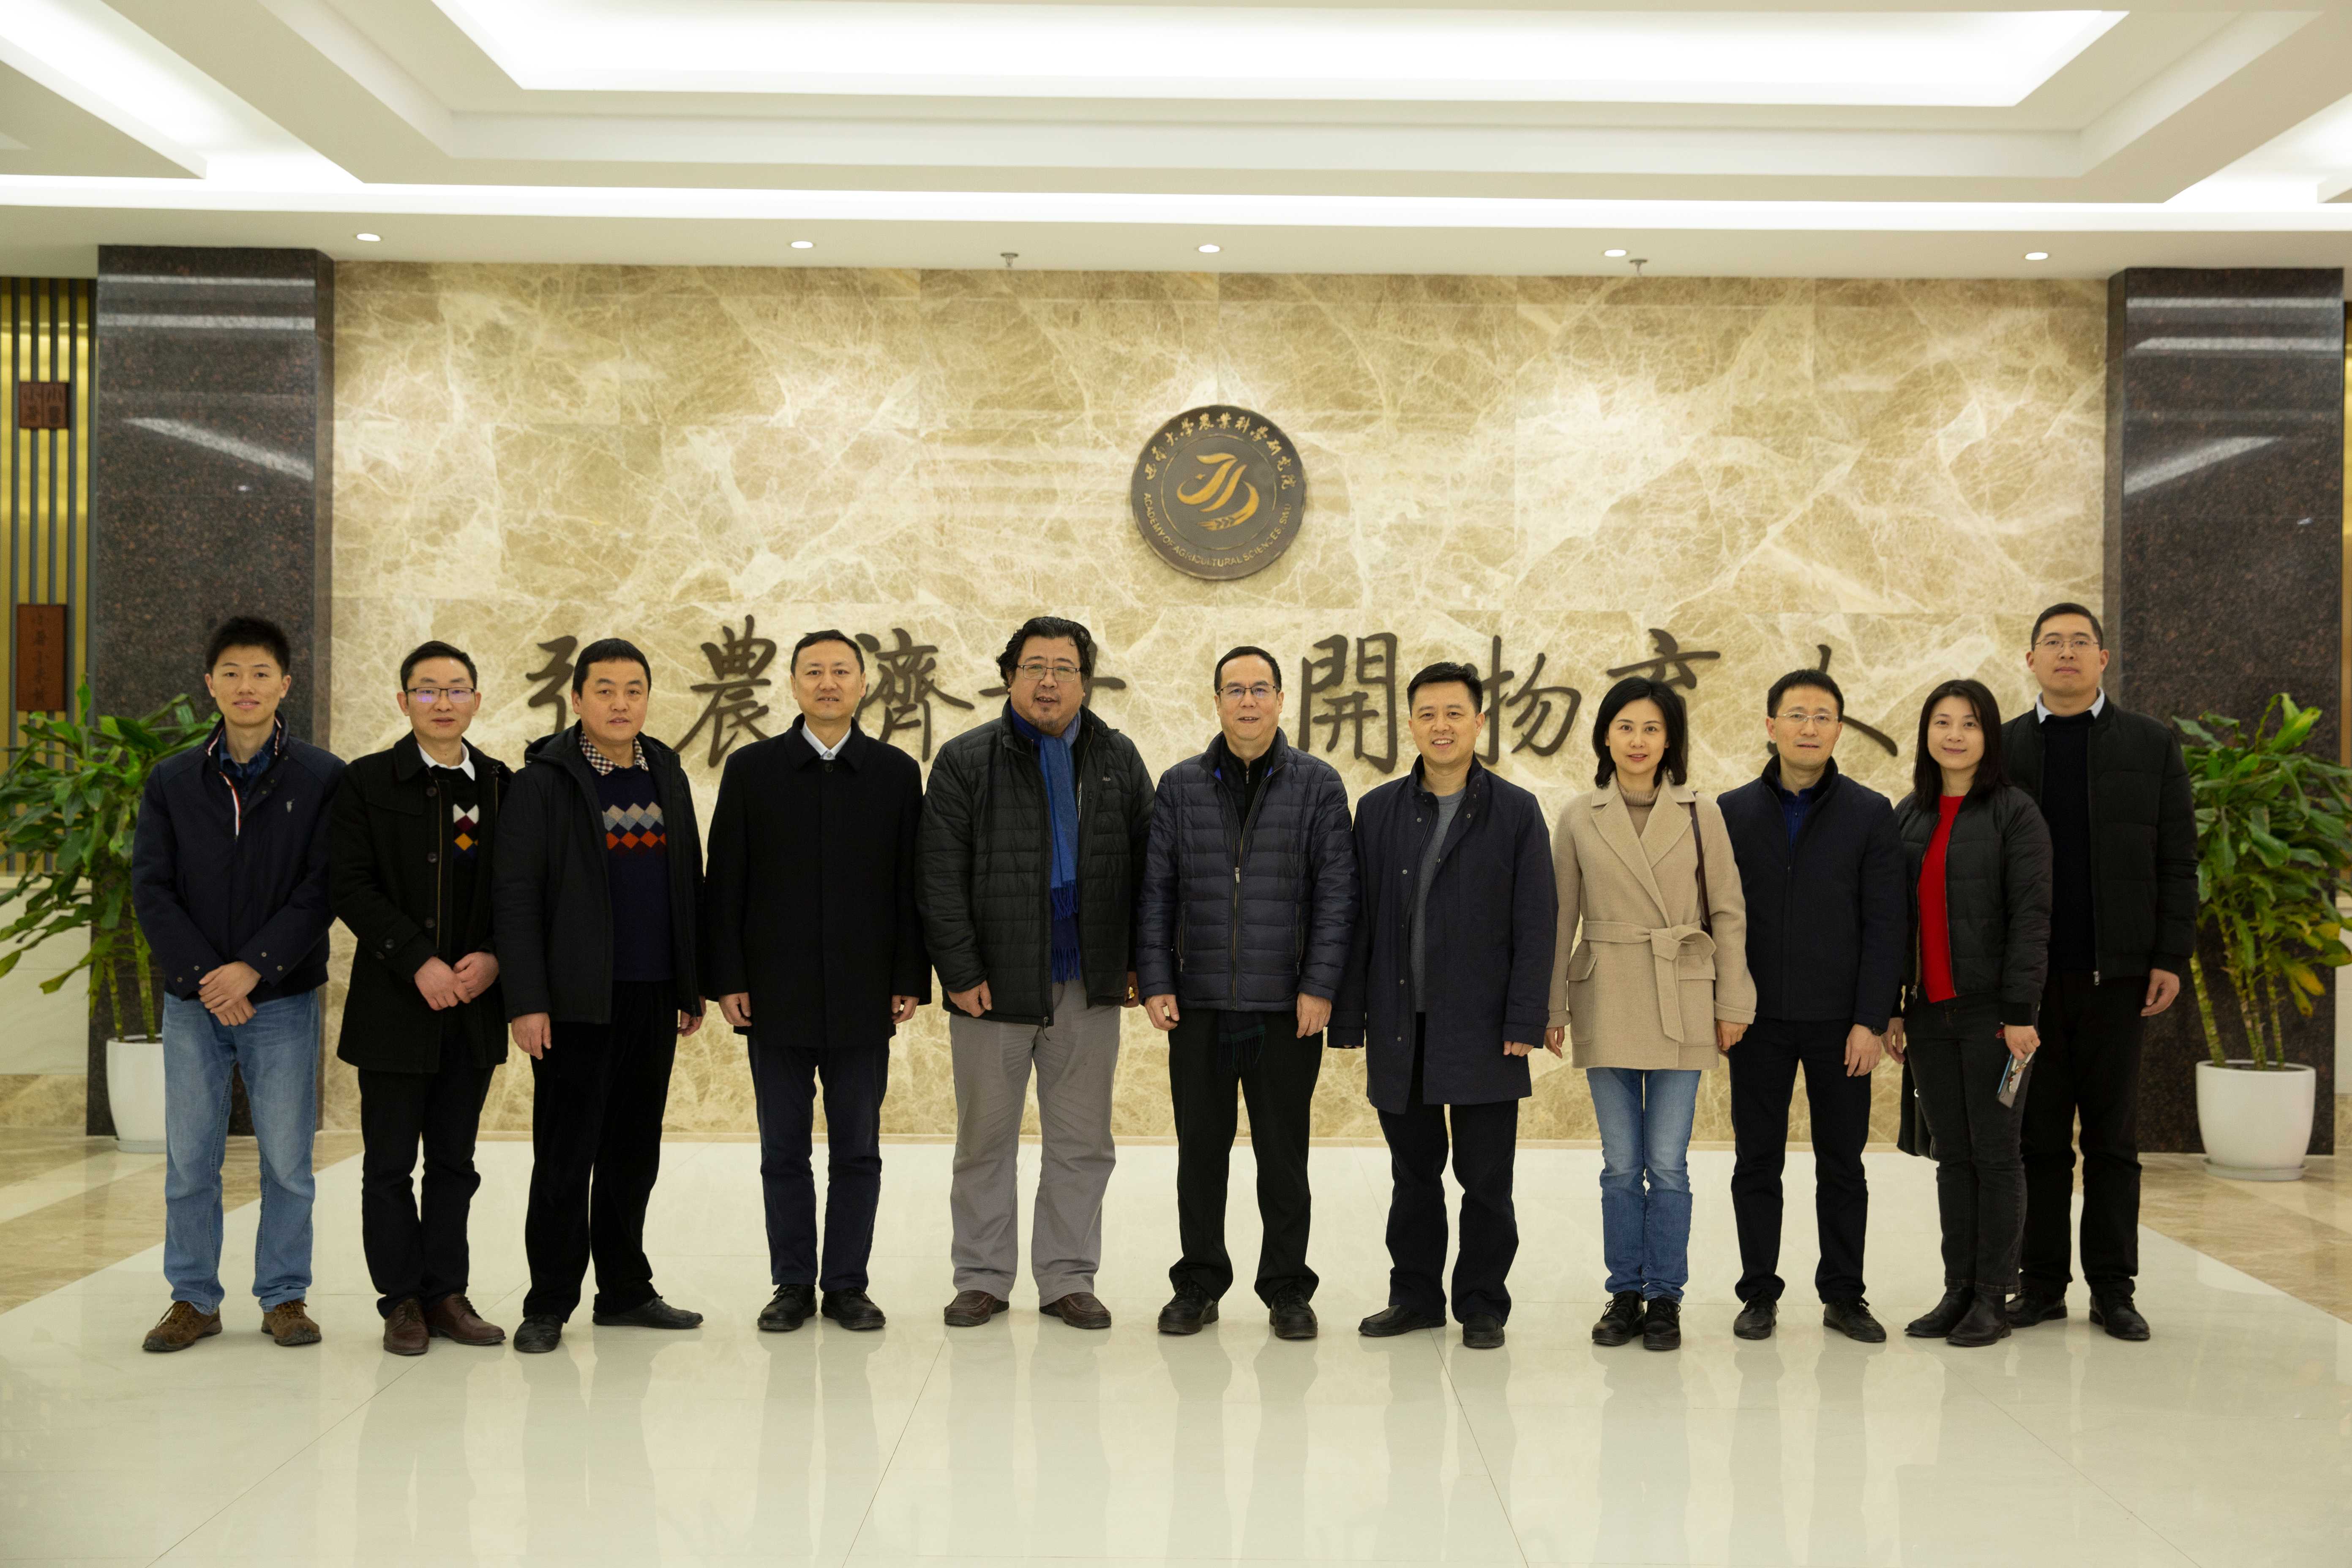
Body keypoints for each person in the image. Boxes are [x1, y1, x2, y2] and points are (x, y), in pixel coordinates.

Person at [919, 616, 1154, 1331]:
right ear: (1009, 676)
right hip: (992, 987)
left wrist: (1138, 963)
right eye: (1034, 667)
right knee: (983, 1143)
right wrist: (960, 970)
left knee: (1082, 1143)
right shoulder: (965, 760)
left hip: (1087, 984)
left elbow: (1149, 867)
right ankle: (981, 1278)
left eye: (1063, 669)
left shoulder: (1117, 757)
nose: (1048, 682)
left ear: (1085, 681)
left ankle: (1067, 1278)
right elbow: (938, 876)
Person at [704, 630, 928, 1335]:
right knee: (783, 1150)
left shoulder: (894, 772)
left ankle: (848, 1285)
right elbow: (726, 882)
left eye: (841, 671)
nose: (827, 683)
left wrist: (908, 975)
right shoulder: (753, 770)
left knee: (858, 1150)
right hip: (774, 995)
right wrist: (728, 978)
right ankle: (793, 1283)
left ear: (863, 683)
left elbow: (911, 883)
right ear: (794, 684)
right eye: (813, 672)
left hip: (865, 993)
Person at [131, 616, 345, 1353]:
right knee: (191, 1158)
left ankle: (284, 1297)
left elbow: (324, 886)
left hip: (281, 996)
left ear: (284, 685)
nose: (245, 686)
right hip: (194, 1002)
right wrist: (206, 978)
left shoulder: (321, 777)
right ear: (210, 684)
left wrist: (254, 967)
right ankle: (192, 1299)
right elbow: (152, 887)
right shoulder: (172, 780)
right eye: (231, 673)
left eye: (260, 674)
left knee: (287, 1159)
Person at [494, 637, 708, 1355]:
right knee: (565, 1157)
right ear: (578, 698)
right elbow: (515, 897)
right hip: (574, 1002)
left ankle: (625, 1291)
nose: (621, 703)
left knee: (632, 1153)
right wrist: (527, 1000)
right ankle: (548, 1302)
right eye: (606, 690)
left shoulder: (666, 771)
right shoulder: (543, 782)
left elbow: (687, 881)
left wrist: (689, 983)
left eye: (634, 690)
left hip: (653, 994)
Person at [1137, 646, 1357, 1341]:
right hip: (1199, 1002)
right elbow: (1156, 892)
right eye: (1234, 690)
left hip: (1284, 1008)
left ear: (1281, 700)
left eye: (1260, 689)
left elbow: (1337, 895)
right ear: (1216, 702)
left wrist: (1319, 985)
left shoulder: (1317, 785)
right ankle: (1197, 1283)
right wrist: (1157, 979)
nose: (1248, 701)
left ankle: (1287, 1288)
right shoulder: (1179, 785)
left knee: (1282, 1158)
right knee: (1199, 1154)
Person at [1332, 661, 1555, 1350]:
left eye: (1454, 713)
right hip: (1402, 1024)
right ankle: (1415, 1298)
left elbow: (1537, 922)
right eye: (1427, 713)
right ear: (1409, 724)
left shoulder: (1515, 812)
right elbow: (1357, 919)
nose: (1440, 726)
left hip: (1485, 1027)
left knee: (1485, 1179)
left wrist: (1524, 1018)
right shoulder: (1378, 811)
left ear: (1479, 722)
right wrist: (1350, 1015)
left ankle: (1482, 1303)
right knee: (1413, 1176)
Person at [2001, 603, 2194, 1342]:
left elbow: (2176, 859)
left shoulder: (2149, 743)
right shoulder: (2004, 748)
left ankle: (2113, 1289)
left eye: (2080, 642)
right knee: (2038, 1141)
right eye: (2051, 643)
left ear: (2103, 659)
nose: (2066, 653)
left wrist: (2168, 956)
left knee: (2112, 1143)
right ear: (2030, 660)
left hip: (2117, 981)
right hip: (2031, 985)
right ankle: (2041, 1285)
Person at [1547, 675, 1753, 1353]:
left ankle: (1664, 1296)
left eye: (1652, 729)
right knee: (1618, 1163)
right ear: (1605, 737)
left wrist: (1732, 1000)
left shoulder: (1701, 813)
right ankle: (1623, 1293)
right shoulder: (1579, 815)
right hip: (1605, 992)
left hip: (1681, 995)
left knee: (1667, 1164)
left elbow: (1727, 911)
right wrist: (1550, 1004)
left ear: (1670, 742)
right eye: (1625, 727)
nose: (1637, 741)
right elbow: (1559, 917)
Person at [328, 640, 512, 1355]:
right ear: (403, 701)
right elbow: (349, 883)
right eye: (427, 690)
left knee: (455, 1164)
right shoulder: (367, 781)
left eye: (456, 688)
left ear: (476, 700)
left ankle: (446, 1295)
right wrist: (416, 961)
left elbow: (521, 886)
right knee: (388, 1166)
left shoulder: (500, 785)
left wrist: (493, 956)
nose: (442, 702)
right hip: (395, 1007)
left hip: (473, 1006)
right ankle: (400, 1300)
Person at [1716, 669, 1905, 1344]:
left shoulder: (1869, 812)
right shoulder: (1730, 812)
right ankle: (1757, 1293)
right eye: (1795, 715)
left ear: (1838, 729)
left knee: (1842, 1165)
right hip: (1755, 1021)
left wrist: (1871, 1019)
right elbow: (1716, 919)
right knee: (1755, 1163)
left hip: (1840, 1024)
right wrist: (1723, 1005)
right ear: (1770, 727)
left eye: (1822, 716)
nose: (1808, 727)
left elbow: (1886, 923)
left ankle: (1844, 1295)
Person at [1887, 679, 2052, 1349]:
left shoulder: (2015, 813)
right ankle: (1957, 1289)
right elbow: (1892, 922)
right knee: (1951, 1157)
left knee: (1996, 1155)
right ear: (1925, 734)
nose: (1954, 735)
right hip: (1929, 1015)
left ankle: (1993, 1295)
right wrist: (1892, 1007)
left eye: (1969, 723)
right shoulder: (1909, 815)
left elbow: (2031, 918)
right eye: (1941, 722)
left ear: (1989, 736)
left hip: (1994, 1017)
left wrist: (2019, 1011)